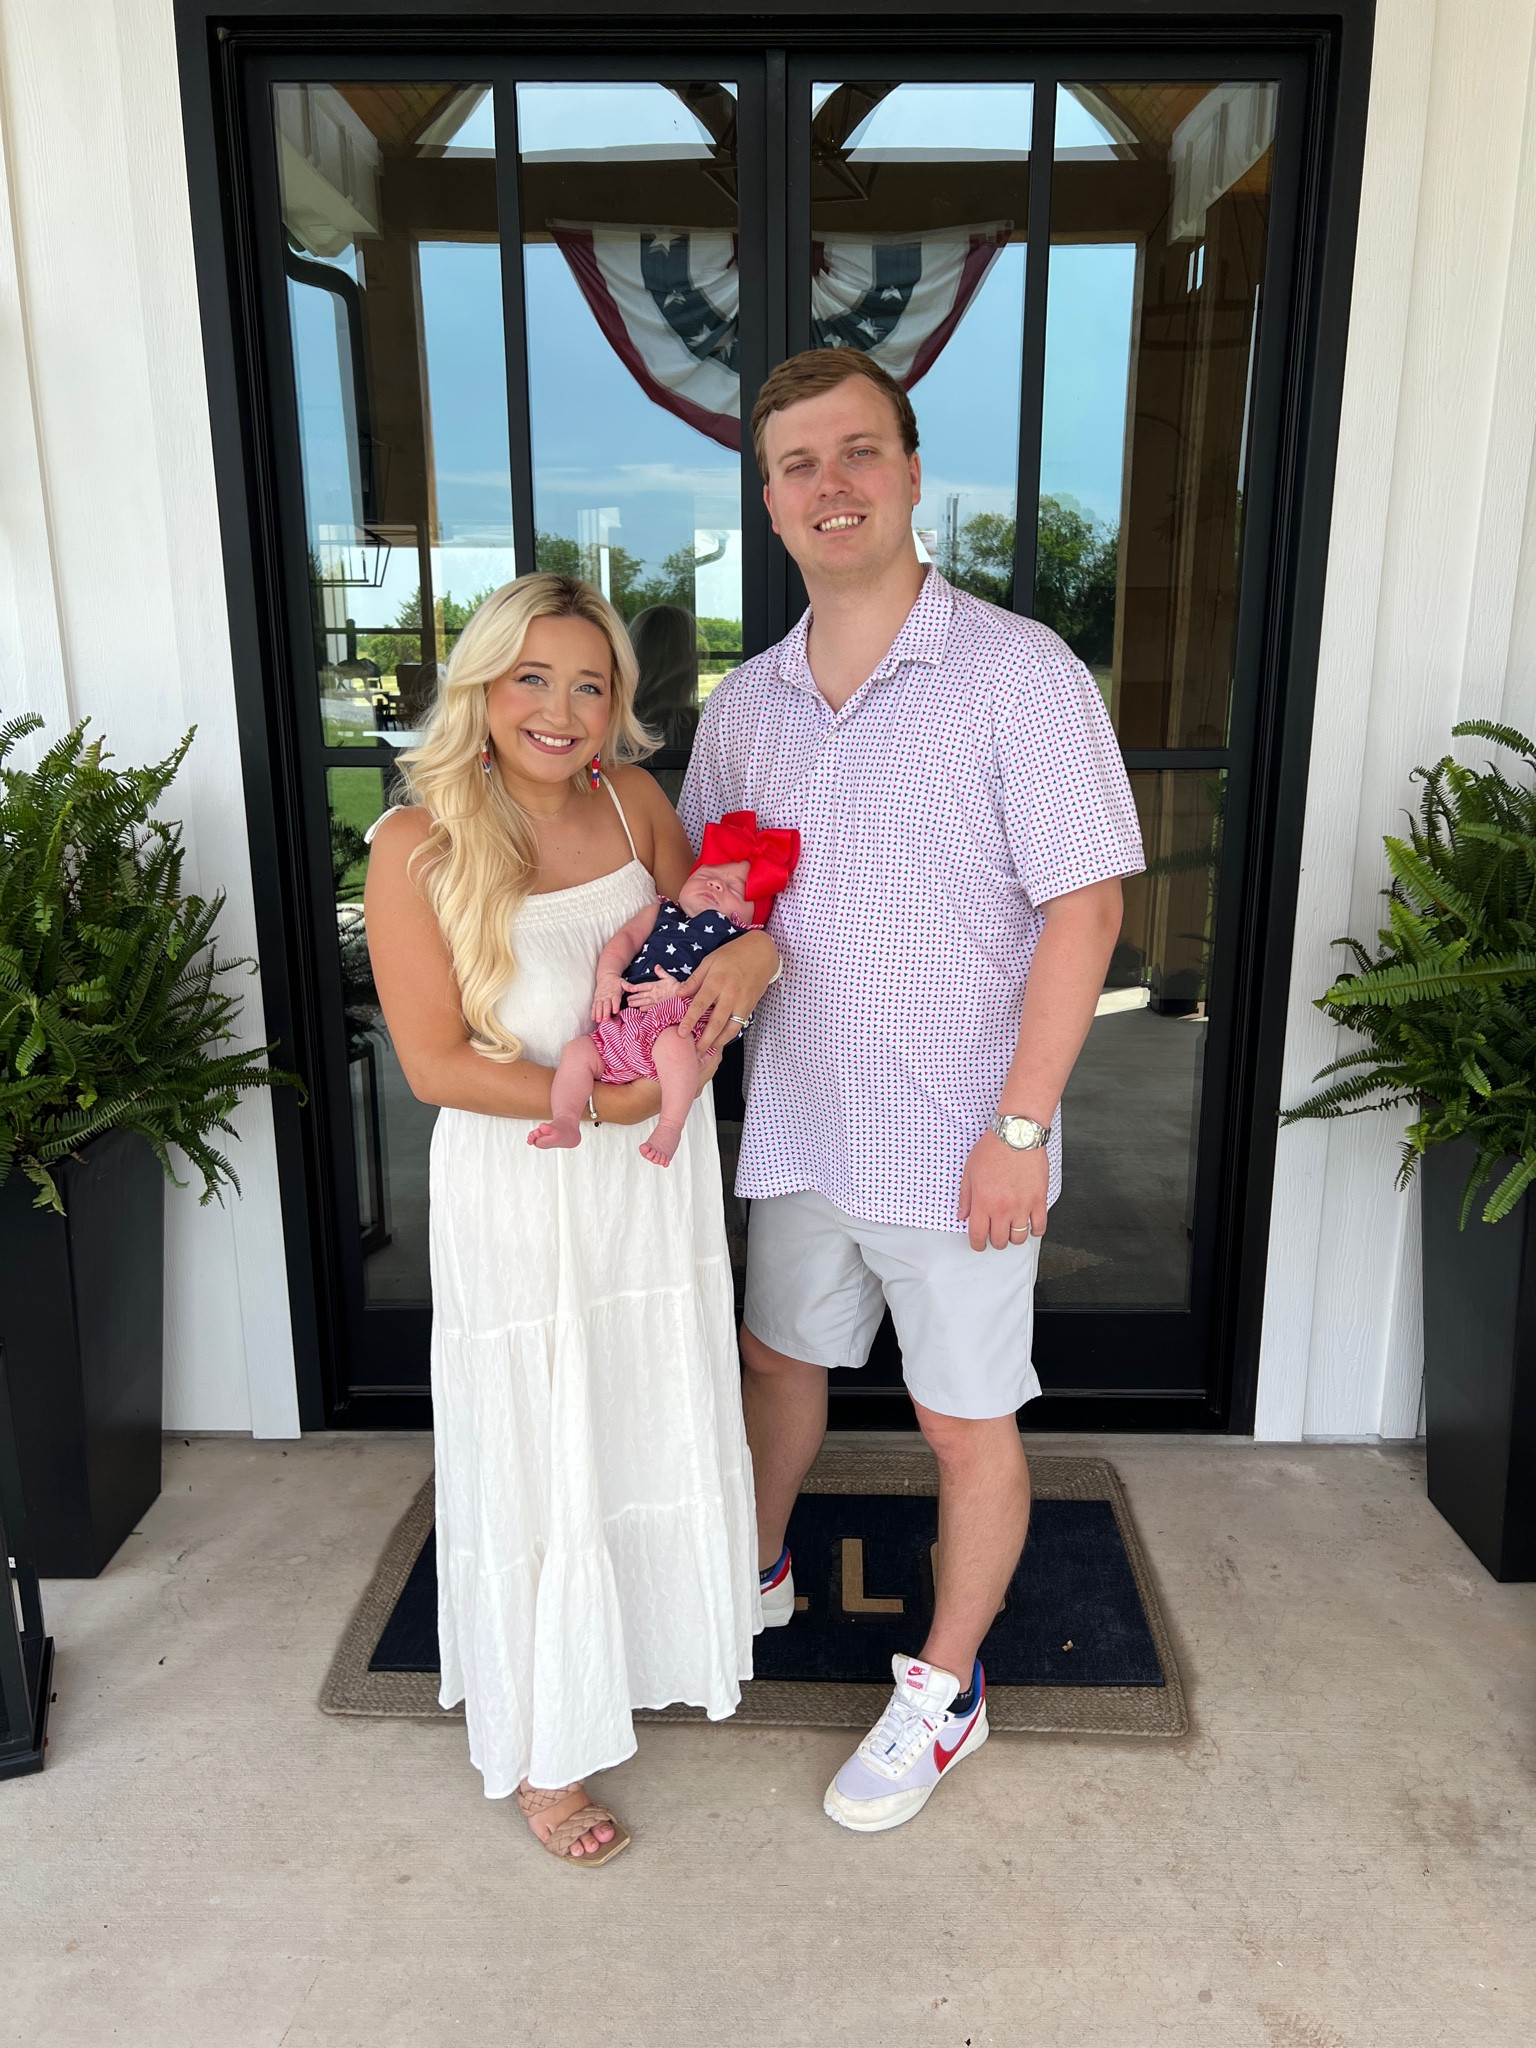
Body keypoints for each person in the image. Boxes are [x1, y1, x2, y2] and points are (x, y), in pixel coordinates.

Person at [678, 349, 1144, 1834]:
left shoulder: (1019, 673)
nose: (832, 485)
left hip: (961, 1138)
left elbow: (1087, 913)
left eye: (858, 452)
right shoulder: (743, 707)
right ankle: (754, 1573)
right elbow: (719, 891)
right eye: (800, 463)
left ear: (912, 473)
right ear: (769, 501)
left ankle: (946, 1694)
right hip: (805, 1118)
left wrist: (1022, 1128)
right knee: (779, 1365)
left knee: (960, 1426)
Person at [364, 572, 780, 1866]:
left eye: (590, 684)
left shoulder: (634, 802)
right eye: (532, 679)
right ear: (482, 687)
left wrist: (754, 960)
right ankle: (548, 1748)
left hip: (645, 1195)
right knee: (545, 1441)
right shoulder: (416, 843)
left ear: (620, 707)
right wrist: (606, 1106)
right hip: (526, 1184)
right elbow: (433, 1065)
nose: (561, 709)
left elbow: (702, 951)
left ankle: (636, 1652)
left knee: (639, 1409)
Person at [531, 814, 800, 1166]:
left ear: (749, 916)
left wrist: (680, 995)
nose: (716, 885)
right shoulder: (662, 911)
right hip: (625, 1025)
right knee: (578, 1052)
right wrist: (608, 979)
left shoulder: (736, 939)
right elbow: (624, 940)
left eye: (734, 889)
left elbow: (727, 989)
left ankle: (670, 1126)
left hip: (684, 1025)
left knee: (673, 1043)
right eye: (707, 875)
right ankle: (566, 1119)